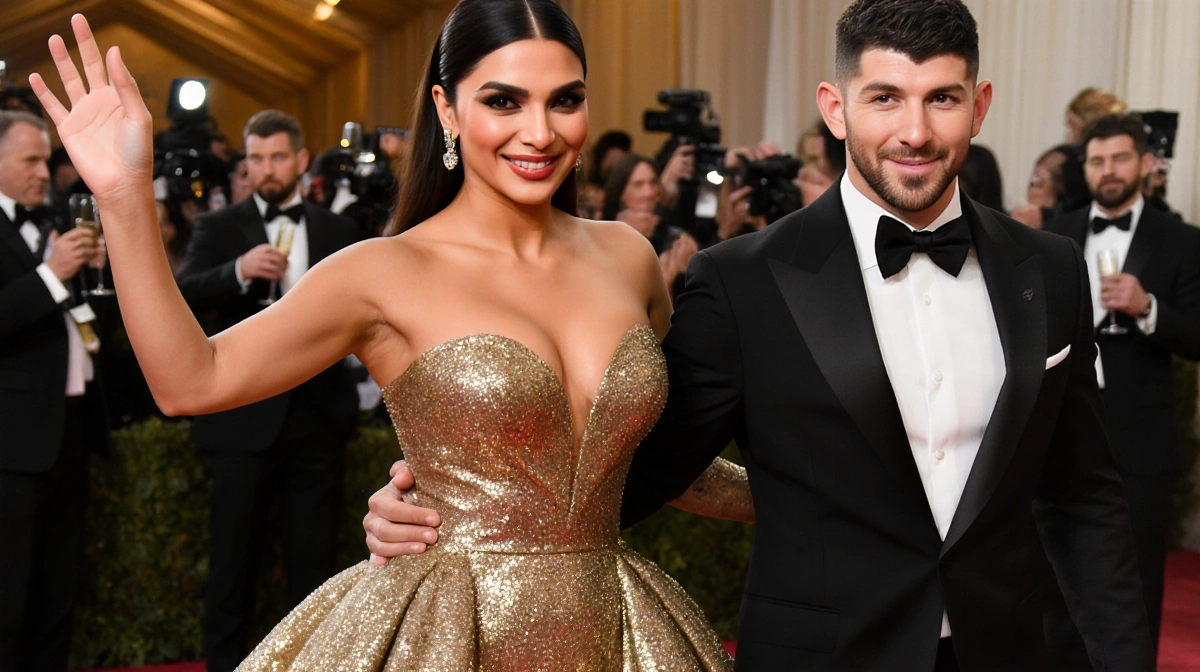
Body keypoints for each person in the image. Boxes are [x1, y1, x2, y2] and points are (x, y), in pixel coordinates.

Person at [366, 1, 1155, 669]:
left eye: (941, 100)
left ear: (978, 107)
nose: (914, 130)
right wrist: (447, 496)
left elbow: (1083, 494)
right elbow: (633, 469)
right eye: (884, 98)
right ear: (835, 106)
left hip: (1006, 652)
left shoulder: (1048, 269)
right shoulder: (742, 282)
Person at [30, 3, 749, 670]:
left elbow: (664, 460)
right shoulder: (382, 271)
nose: (541, 131)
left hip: (613, 633)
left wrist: (814, 487)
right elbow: (193, 380)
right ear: (448, 107)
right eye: (504, 100)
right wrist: (123, 199)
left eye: (565, 99)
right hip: (451, 635)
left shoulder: (626, 257)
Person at [172, 109, 361, 672]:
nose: (265, 169)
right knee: (232, 566)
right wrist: (237, 270)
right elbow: (180, 295)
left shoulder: (336, 230)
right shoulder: (220, 227)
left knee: (315, 567)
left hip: (318, 419)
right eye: (255, 159)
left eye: (277, 157)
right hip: (242, 419)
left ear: (301, 161)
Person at [1043, 113, 1200, 663]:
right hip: (1060, 428)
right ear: (1083, 167)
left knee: (1135, 579)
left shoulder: (1180, 240)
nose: (1108, 170)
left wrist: (1148, 307)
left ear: (1146, 164)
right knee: (1055, 575)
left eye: (1120, 158)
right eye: (1097, 160)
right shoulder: (1052, 233)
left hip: (1139, 434)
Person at [0, 110, 108, 671]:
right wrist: (50, 275)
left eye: (47, 159)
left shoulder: (53, 222)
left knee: (59, 592)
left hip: (69, 431)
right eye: (31, 160)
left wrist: (95, 274)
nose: (46, 171)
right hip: (11, 446)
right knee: (8, 597)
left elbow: (94, 328)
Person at [601, 152, 698, 299]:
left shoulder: (674, 239)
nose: (649, 193)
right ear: (620, 193)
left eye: (653, 183)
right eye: (638, 185)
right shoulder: (601, 235)